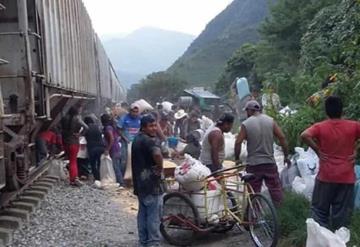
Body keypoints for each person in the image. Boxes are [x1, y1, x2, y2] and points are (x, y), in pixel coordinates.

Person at [301, 96, 360, 229]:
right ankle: (338, 240)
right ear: (342, 110)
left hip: (326, 176)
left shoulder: (321, 127)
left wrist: (317, 150)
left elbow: (304, 135)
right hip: (346, 177)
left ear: (326, 111)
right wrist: (356, 150)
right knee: (341, 214)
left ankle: (321, 239)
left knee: (319, 211)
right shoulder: (354, 126)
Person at [234, 100, 289, 206]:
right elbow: (282, 137)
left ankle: (253, 218)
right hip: (269, 163)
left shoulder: (246, 124)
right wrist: (286, 156)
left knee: (253, 193)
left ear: (250, 111)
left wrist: (237, 159)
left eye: (247, 111)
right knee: (276, 191)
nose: (246, 114)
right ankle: (282, 214)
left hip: (254, 165)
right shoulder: (270, 121)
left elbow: (238, 142)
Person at [132, 115, 164, 247]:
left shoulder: (137, 139)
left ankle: (143, 242)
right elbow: (157, 154)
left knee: (143, 214)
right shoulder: (149, 141)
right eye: (151, 126)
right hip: (151, 184)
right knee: (153, 215)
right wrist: (160, 167)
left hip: (140, 184)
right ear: (143, 127)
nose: (154, 128)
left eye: (155, 125)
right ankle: (153, 243)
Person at [61, 107, 88, 186]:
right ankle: (74, 179)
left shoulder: (64, 118)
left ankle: (72, 177)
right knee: (73, 161)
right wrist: (79, 134)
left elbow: (59, 128)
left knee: (70, 160)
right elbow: (86, 127)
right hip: (74, 142)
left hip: (65, 142)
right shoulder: (77, 119)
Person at [117, 103, 142, 180]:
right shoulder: (124, 118)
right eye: (133, 111)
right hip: (125, 142)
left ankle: (135, 177)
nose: (135, 113)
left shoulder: (140, 118)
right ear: (130, 111)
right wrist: (125, 138)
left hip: (136, 142)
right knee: (124, 160)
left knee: (137, 159)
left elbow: (142, 129)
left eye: (136, 111)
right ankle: (122, 179)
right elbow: (118, 129)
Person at [101, 113, 125, 188]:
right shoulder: (112, 126)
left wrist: (107, 149)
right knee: (118, 165)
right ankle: (120, 180)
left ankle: (121, 182)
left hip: (113, 149)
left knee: (115, 166)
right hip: (117, 147)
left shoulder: (108, 128)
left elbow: (112, 139)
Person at [84, 116, 105, 181]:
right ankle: (101, 176)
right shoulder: (97, 127)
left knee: (93, 164)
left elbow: (83, 135)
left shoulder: (86, 128)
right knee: (99, 163)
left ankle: (97, 178)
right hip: (101, 147)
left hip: (92, 148)